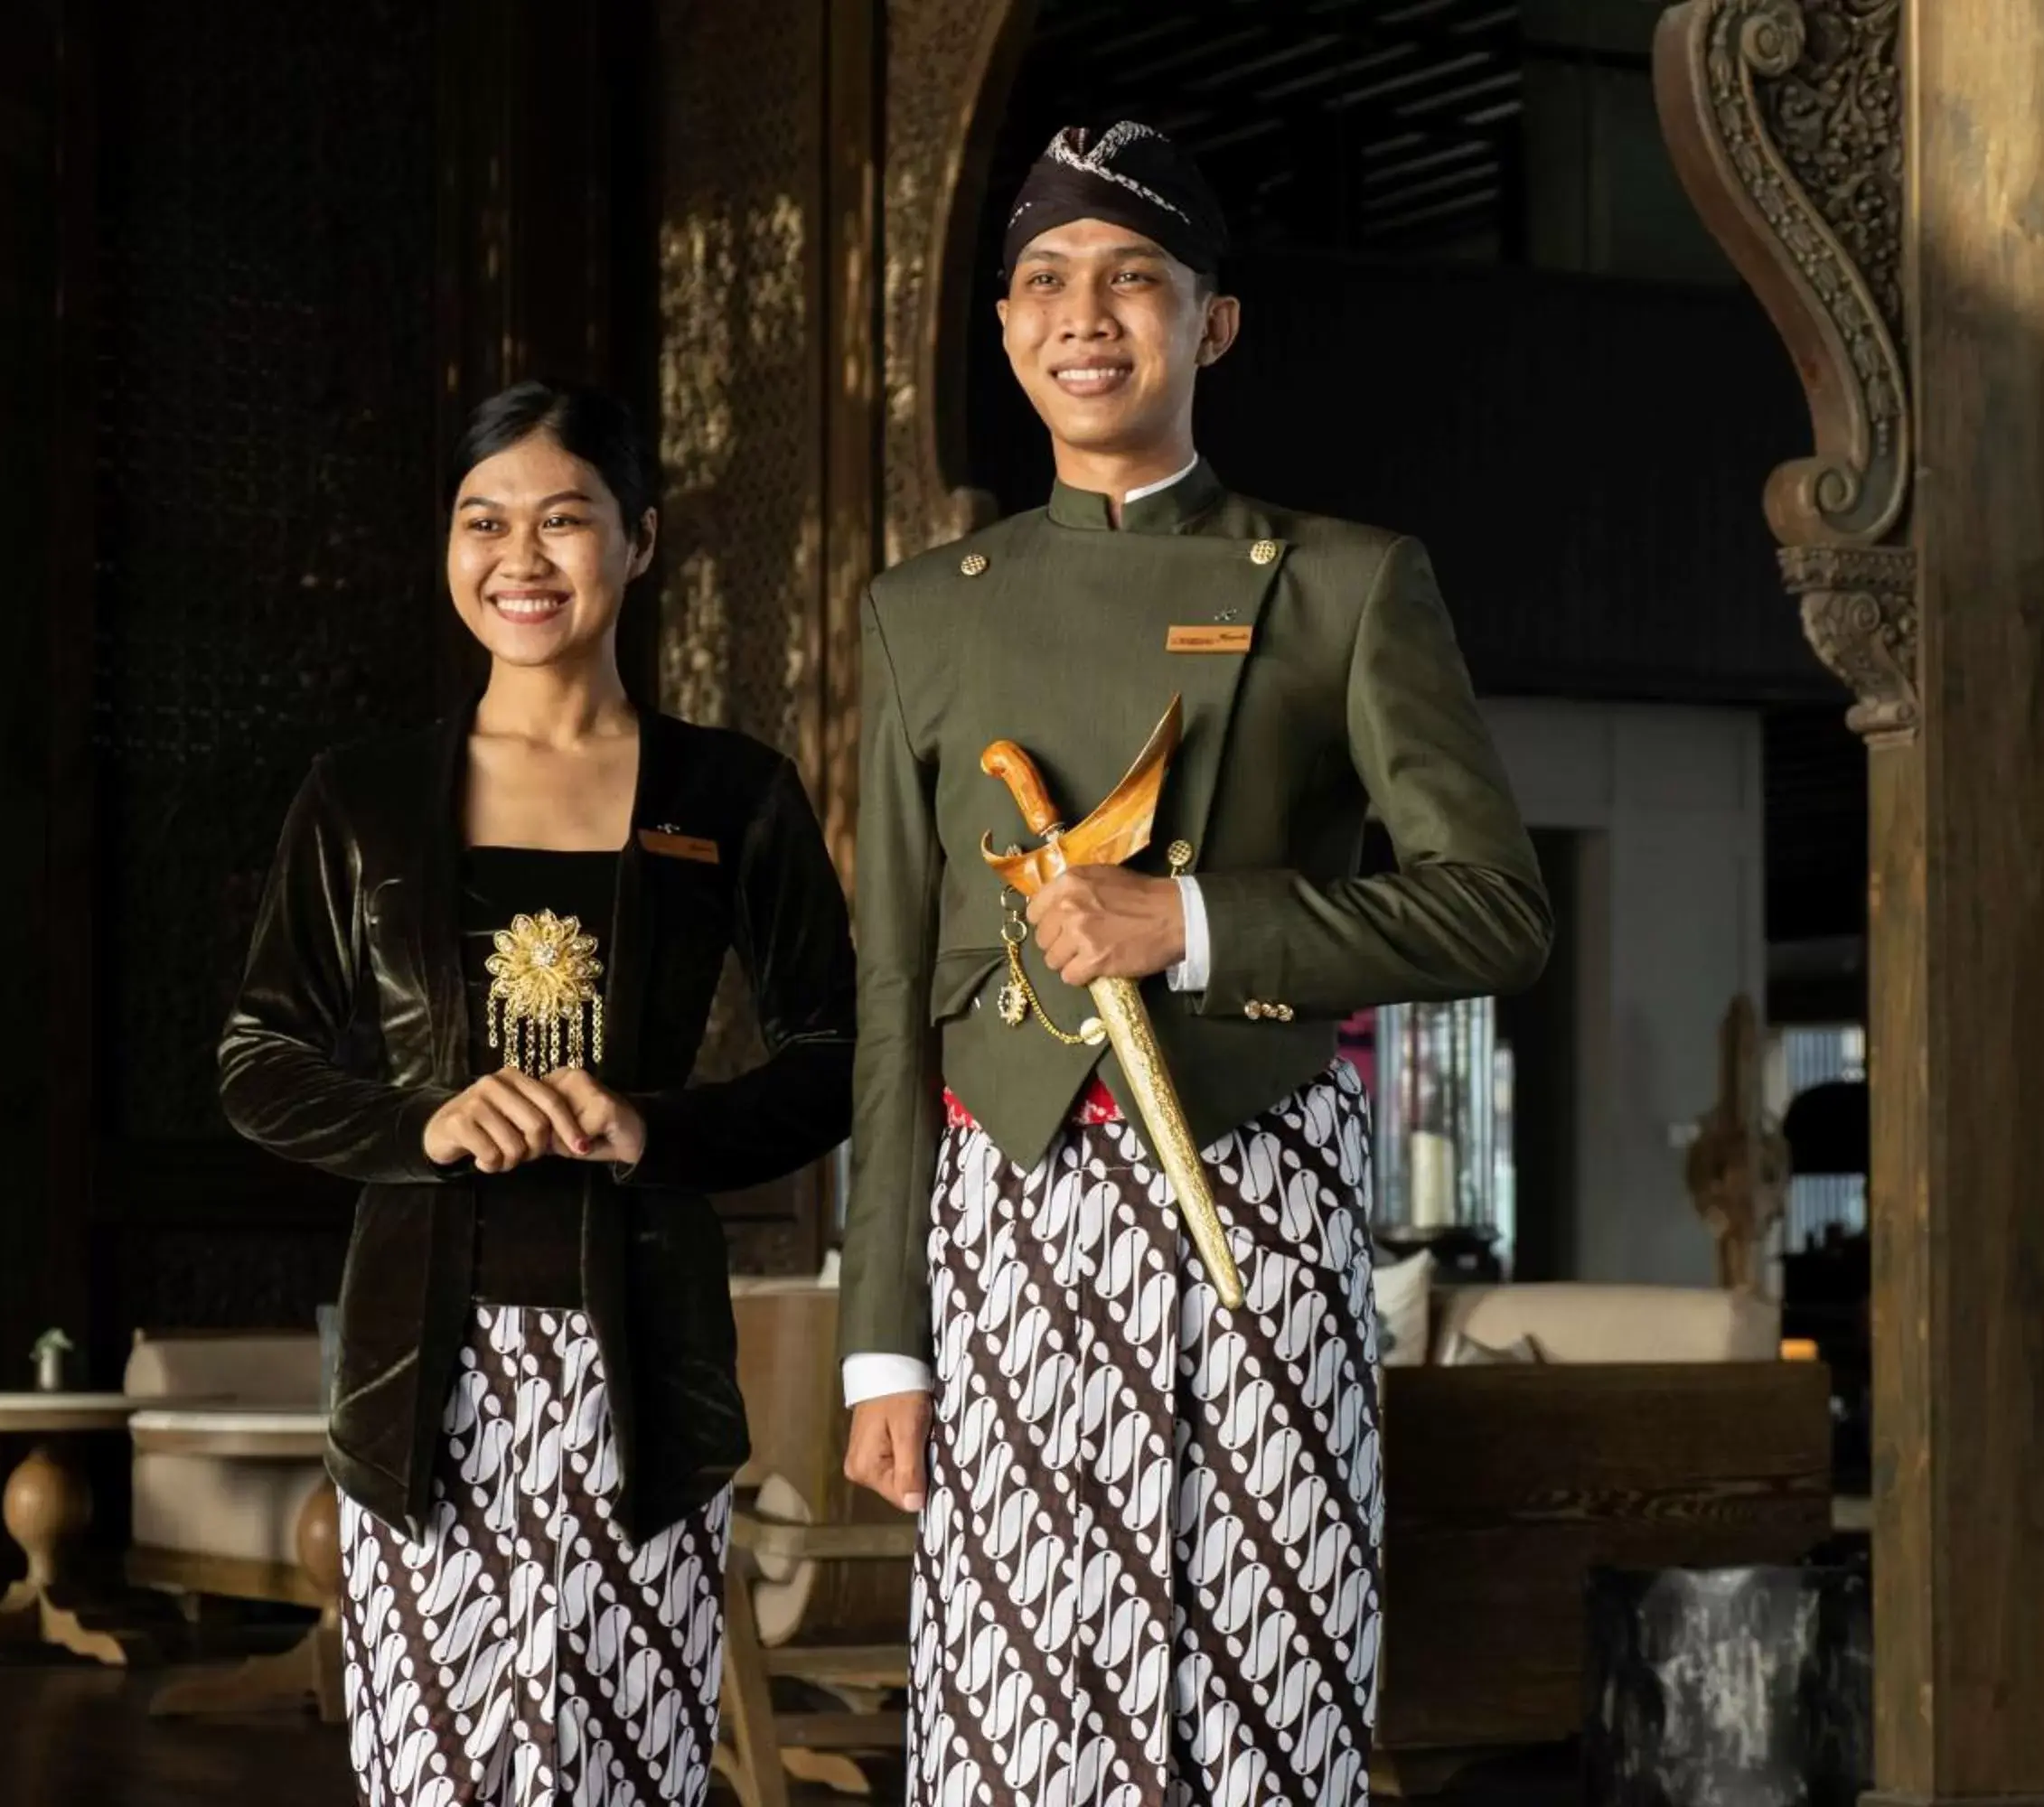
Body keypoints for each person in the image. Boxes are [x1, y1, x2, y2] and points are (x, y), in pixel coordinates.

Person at [838, 122, 1553, 1804]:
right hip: (1001, 1212)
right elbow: (886, 996)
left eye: (1133, 279)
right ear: (1007, 330)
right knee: (1014, 1725)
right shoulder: (921, 610)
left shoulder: (1346, 586)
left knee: (1263, 1690)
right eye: (1045, 283)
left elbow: (1497, 911)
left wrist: (1196, 922)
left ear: (1210, 325)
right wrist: (886, 1346)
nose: (1086, 316)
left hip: (1265, 1199)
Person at [220, 379, 855, 1807]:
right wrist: (423, 1124)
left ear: (641, 541)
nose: (521, 556)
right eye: (483, 521)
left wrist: (658, 1127)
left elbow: (838, 1055)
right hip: (417, 1378)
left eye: (563, 520)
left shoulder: (731, 791)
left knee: (632, 1770)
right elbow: (257, 1059)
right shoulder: (362, 794)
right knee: (434, 1775)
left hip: (649, 1371)